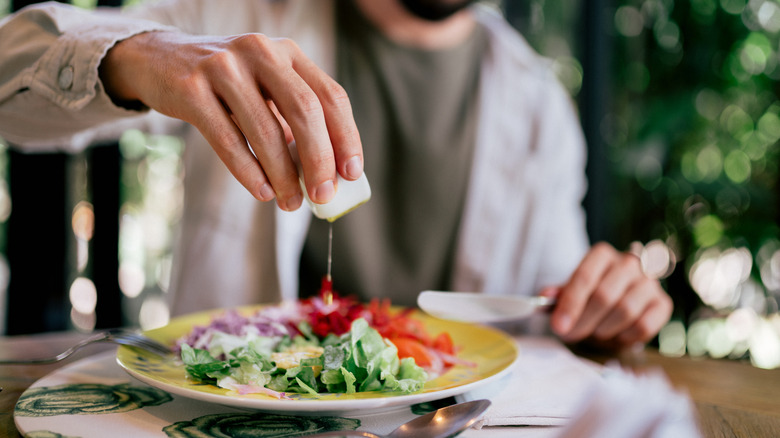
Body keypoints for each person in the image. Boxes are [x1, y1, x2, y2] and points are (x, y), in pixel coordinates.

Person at [0, 0, 672, 349]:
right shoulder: (242, 19)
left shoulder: (540, 106)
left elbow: (555, 305)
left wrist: (606, 304)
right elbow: (11, 83)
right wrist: (143, 59)